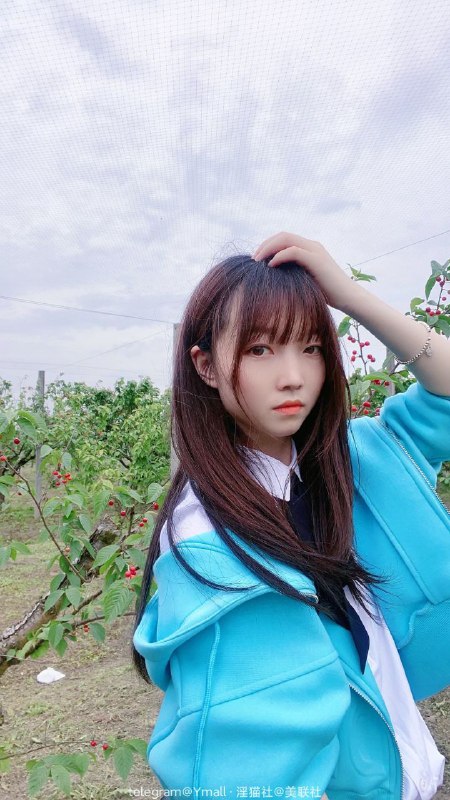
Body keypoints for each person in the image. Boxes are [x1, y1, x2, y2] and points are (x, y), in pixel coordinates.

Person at [132, 232, 450, 800]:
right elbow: (240, 761)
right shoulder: (208, 545)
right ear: (205, 366)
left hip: (403, 766)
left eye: (311, 347)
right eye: (259, 350)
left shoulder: (351, 462)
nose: (293, 377)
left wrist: (349, 297)